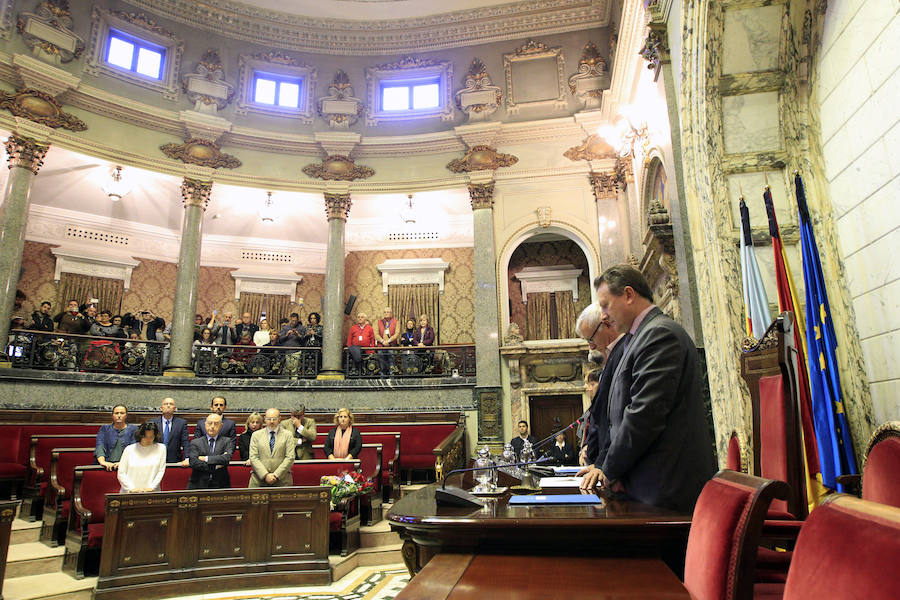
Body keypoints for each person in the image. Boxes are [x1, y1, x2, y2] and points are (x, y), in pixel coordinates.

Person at [578, 264, 716, 513]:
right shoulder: (638, 338)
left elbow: (644, 415)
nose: (604, 315)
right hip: (646, 486)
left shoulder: (659, 335)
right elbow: (617, 418)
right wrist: (602, 464)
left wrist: (607, 469)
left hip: (663, 490)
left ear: (629, 295)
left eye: (606, 305)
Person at [574, 302, 625, 469]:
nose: (590, 346)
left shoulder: (624, 354)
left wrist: (604, 466)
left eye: (591, 338)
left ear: (606, 324)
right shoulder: (610, 360)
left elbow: (623, 421)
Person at [248, 408, 295, 487]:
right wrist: (265, 475)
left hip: (282, 480)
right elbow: (253, 457)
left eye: (274, 419)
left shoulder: (288, 435)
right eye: (269, 419)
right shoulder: (256, 435)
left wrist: (276, 475)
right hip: (259, 480)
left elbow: (290, 457)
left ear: (279, 419)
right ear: (264, 419)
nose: (272, 421)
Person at [117, 421, 167, 493]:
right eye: (145, 437)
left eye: (151, 437)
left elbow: (161, 471)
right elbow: (121, 473)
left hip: (152, 492)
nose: (148, 440)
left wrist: (152, 487)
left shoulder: (161, 448)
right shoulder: (129, 449)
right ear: (140, 435)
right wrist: (131, 488)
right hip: (129, 492)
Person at [187, 413, 233, 489]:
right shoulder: (195, 442)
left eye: (216, 424)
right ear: (205, 424)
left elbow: (226, 458)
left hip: (221, 483)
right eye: (210, 423)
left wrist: (205, 459)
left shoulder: (227, 441)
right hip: (198, 483)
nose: (212, 426)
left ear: (221, 426)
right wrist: (215, 466)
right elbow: (193, 462)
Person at [95, 405, 137, 470]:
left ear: (126, 415)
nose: (119, 415)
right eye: (116, 413)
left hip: (127, 466)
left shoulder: (134, 429)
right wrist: (103, 462)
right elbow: (100, 446)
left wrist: (123, 463)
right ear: (112, 415)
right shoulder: (104, 428)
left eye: (122, 413)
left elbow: (134, 449)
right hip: (106, 464)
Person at [154, 397, 190, 465]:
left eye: (171, 404)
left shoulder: (181, 423)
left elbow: (186, 442)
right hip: (155, 459)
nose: (168, 406)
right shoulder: (153, 423)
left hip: (174, 460)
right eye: (165, 404)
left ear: (174, 408)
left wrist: (187, 458)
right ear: (161, 408)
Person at [374, 307, 399, 377]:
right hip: (381, 346)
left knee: (392, 362)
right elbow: (376, 333)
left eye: (388, 312)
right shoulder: (378, 322)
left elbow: (397, 333)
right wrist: (382, 341)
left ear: (391, 314)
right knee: (382, 363)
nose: (386, 313)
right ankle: (383, 378)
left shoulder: (396, 322)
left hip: (391, 346)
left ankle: (392, 378)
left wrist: (388, 341)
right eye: (385, 312)